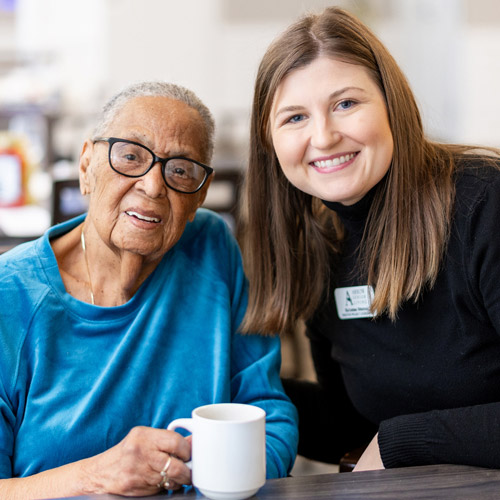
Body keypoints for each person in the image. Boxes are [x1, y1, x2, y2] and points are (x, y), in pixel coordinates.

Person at [0, 81, 298, 498]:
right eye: (130, 156)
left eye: (179, 170)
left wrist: (225, 479)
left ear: (198, 199)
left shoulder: (211, 249)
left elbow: (267, 415)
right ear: (86, 167)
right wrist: (96, 476)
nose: (154, 186)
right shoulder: (9, 296)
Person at [239, 6, 500, 471]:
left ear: (390, 104)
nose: (323, 136)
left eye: (345, 104)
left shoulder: (484, 204)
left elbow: (385, 443)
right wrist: (224, 388)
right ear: (269, 141)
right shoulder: (322, 244)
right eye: (295, 117)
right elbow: (352, 427)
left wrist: (403, 442)